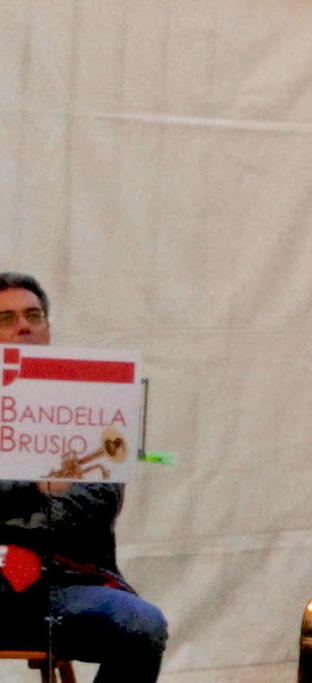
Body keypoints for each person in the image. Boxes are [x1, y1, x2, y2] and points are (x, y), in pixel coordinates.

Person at [0, 272, 168, 683]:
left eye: (33, 315)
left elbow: (94, 506)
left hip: (65, 587)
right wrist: (34, 486)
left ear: (48, 327)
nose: (24, 326)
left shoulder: (91, 402)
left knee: (141, 624)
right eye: (6, 318)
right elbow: (53, 498)